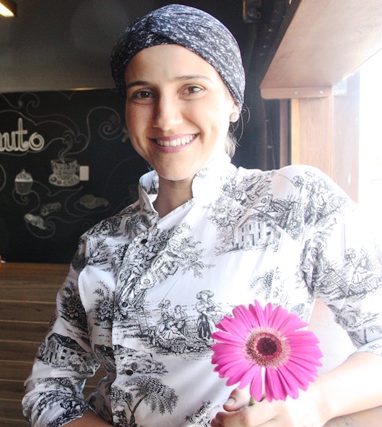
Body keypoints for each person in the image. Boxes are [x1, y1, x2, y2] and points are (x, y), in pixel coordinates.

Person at [22, 4, 382, 427]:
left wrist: (313, 405)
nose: (166, 118)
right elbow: (47, 388)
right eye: (143, 93)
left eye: (191, 88)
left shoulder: (294, 199)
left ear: (233, 102)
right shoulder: (101, 242)